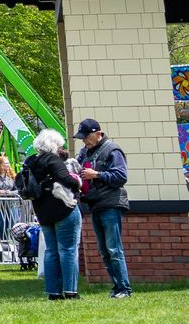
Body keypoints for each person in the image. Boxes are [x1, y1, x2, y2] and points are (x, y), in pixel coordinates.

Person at [18, 128, 85, 300]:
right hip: (63, 209)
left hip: (43, 212)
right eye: (60, 145)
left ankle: (53, 292)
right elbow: (67, 180)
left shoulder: (30, 161)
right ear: (54, 145)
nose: (61, 149)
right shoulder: (52, 160)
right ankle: (70, 291)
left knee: (51, 251)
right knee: (68, 250)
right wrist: (77, 180)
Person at [75, 118, 132, 298]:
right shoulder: (84, 153)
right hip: (95, 204)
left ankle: (124, 289)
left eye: (86, 137)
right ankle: (117, 287)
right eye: (82, 138)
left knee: (114, 249)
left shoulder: (112, 150)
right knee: (104, 250)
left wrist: (97, 174)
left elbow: (121, 177)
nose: (84, 141)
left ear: (98, 133)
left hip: (110, 203)